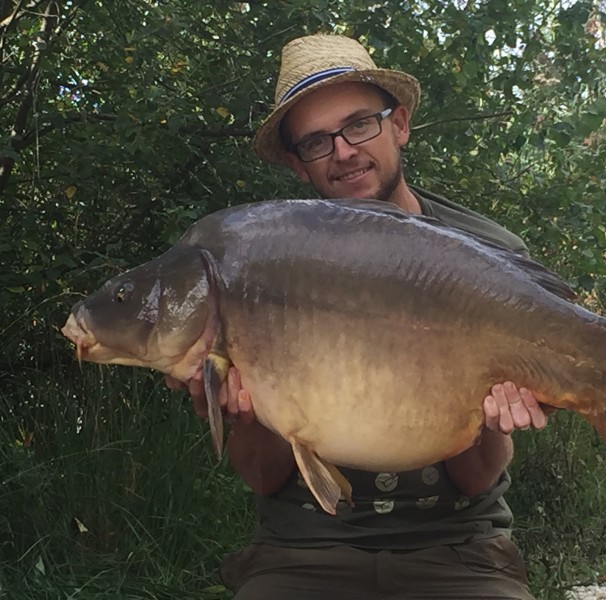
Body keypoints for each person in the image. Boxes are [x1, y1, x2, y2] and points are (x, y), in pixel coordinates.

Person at [178, 34, 551, 600]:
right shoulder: (261, 266)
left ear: (398, 124)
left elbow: (477, 478)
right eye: (316, 142)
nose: (343, 151)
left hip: (459, 551)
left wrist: (493, 422)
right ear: (299, 166)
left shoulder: (488, 256)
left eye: (359, 125)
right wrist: (247, 413)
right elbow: (263, 477)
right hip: (300, 553)